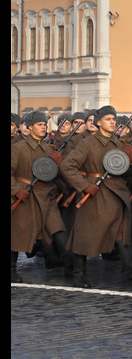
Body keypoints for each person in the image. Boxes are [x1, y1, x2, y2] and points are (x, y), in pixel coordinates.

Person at [60, 105, 132, 287]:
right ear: (99, 122)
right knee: (85, 235)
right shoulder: (87, 143)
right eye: (108, 119)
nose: (113, 122)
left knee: (121, 232)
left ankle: (131, 268)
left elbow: (128, 173)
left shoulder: (119, 145)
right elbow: (67, 166)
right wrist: (84, 186)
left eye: (114, 119)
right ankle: (79, 274)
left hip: (116, 193)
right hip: (94, 194)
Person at [11, 111, 70, 282]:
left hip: (46, 196)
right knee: (18, 234)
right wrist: (15, 190)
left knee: (58, 230)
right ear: (29, 128)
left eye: (45, 124)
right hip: (25, 196)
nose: (43, 127)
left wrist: (58, 165)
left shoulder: (49, 149)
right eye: (39, 124)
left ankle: (71, 266)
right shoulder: (17, 148)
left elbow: (54, 175)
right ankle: (12, 269)